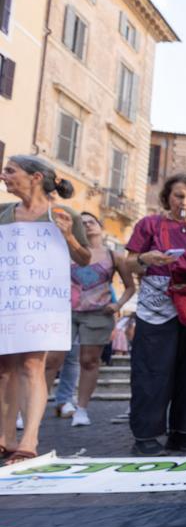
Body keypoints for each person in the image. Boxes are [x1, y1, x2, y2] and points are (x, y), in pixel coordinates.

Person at [125, 174, 186, 455]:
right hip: (157, 305)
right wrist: (146, 258)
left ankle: (182, 432)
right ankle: (145, 435)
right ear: (168, 196)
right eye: (180, 195)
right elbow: (128, 260)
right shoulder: (149, 224)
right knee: (152, 370)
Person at [0, 155, 89, 465]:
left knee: (31, 366)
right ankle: (5, 436)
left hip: (42, 302)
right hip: (7, 300)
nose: (4, 175)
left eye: (11, 170)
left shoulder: (63, 214)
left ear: (35, 177)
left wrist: (66, 236)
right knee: (3, 369)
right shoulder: (3, 213)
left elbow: (84, 259)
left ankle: (29, 439)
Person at [45, 212, 136, 427]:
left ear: (100, 226)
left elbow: (130, 286)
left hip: (98, 313)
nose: (87, 226)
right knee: (51, 361)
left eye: (91, 222)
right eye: (82, 223)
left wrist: (118, 304)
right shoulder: (66, 251)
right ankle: (32, 411)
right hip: (64, 311)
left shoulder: (114, 256)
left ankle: (82, 409)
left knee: (89, 361)